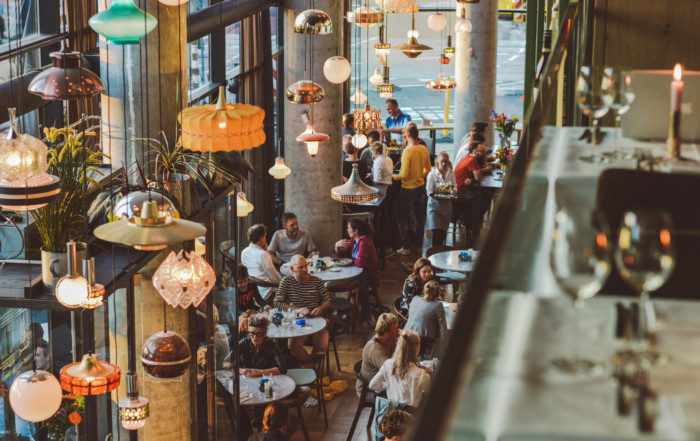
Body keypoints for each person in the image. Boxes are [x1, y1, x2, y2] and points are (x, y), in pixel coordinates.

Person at [274, 255, 333, 358]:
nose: (305, 269)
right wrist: (298, 310)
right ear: (292, 269)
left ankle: (310, 369)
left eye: (306, 266)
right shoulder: (286, 281)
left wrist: (321, 308)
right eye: (300, 267)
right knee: (292, 346)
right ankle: (311, 369)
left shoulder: (317, 281)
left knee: (321, 349)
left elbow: (328, 301)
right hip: (298, 321)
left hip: (318, 319)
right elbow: (277, 303)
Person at [393, 124, 431, 255]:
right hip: (420, 187)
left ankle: (406, 247)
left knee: (403, 218)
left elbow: (403, 174)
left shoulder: (407, 151)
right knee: (420, 218)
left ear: (408, 136)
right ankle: (419, 246)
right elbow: (428, 169)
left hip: (407, 189)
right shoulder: (423, 149)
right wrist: (420, 176)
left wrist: (394, 177)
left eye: (404, 136)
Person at [369, 330, 431, 409]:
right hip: (410, 416)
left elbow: (372, 385)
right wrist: (431, 373)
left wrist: (387, 384)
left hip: (391, 414)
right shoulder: (420, 373)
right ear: (416, 348)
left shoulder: (387, 364)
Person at [334, 219, 380, 325]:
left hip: (369, 276)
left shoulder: (364, 241)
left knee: (360, 285)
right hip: (358, 273)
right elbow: (343, 254)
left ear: (356, 231)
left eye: (349, 228)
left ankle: (367, 315)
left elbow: (360, 263)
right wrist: (337, 247)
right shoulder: (354, 240)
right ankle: (348, 308)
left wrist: (348, 261)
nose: (347, 230)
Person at [357, 313, 399, 398]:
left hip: (382, 384)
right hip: (369, 390)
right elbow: (392, 371)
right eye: (395, 329)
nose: (398, 331)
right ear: (385, 331)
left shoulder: (389, 340)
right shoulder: (375, 350)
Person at [241, 224, 282, 304]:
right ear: (260, 238)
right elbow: (274, 276)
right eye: (265, 236)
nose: (266, 239)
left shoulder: (244, 252)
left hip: (254, 292)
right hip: (267, 295)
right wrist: (283, 284)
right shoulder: (262, 255)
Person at [426, 151, 457, 246]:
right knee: (436, 233)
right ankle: (434, 255)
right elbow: (429, 192)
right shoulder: (432, 174)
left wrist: (453, 191)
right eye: (442, 161)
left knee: (443, 233)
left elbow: (454, 186)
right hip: (434, 207)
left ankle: (440, 254)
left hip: (446, 207)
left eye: (446, 162)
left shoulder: (451, 173)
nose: (444, 164)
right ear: (437, 162)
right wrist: (440, 195)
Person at [404, 280, 447, 345]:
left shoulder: (415, 298)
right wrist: (444, 343)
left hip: (406, 333)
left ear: (424, 291)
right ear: (438, 294)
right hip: (423, 340)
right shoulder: (438, 305)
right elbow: (443, 328)